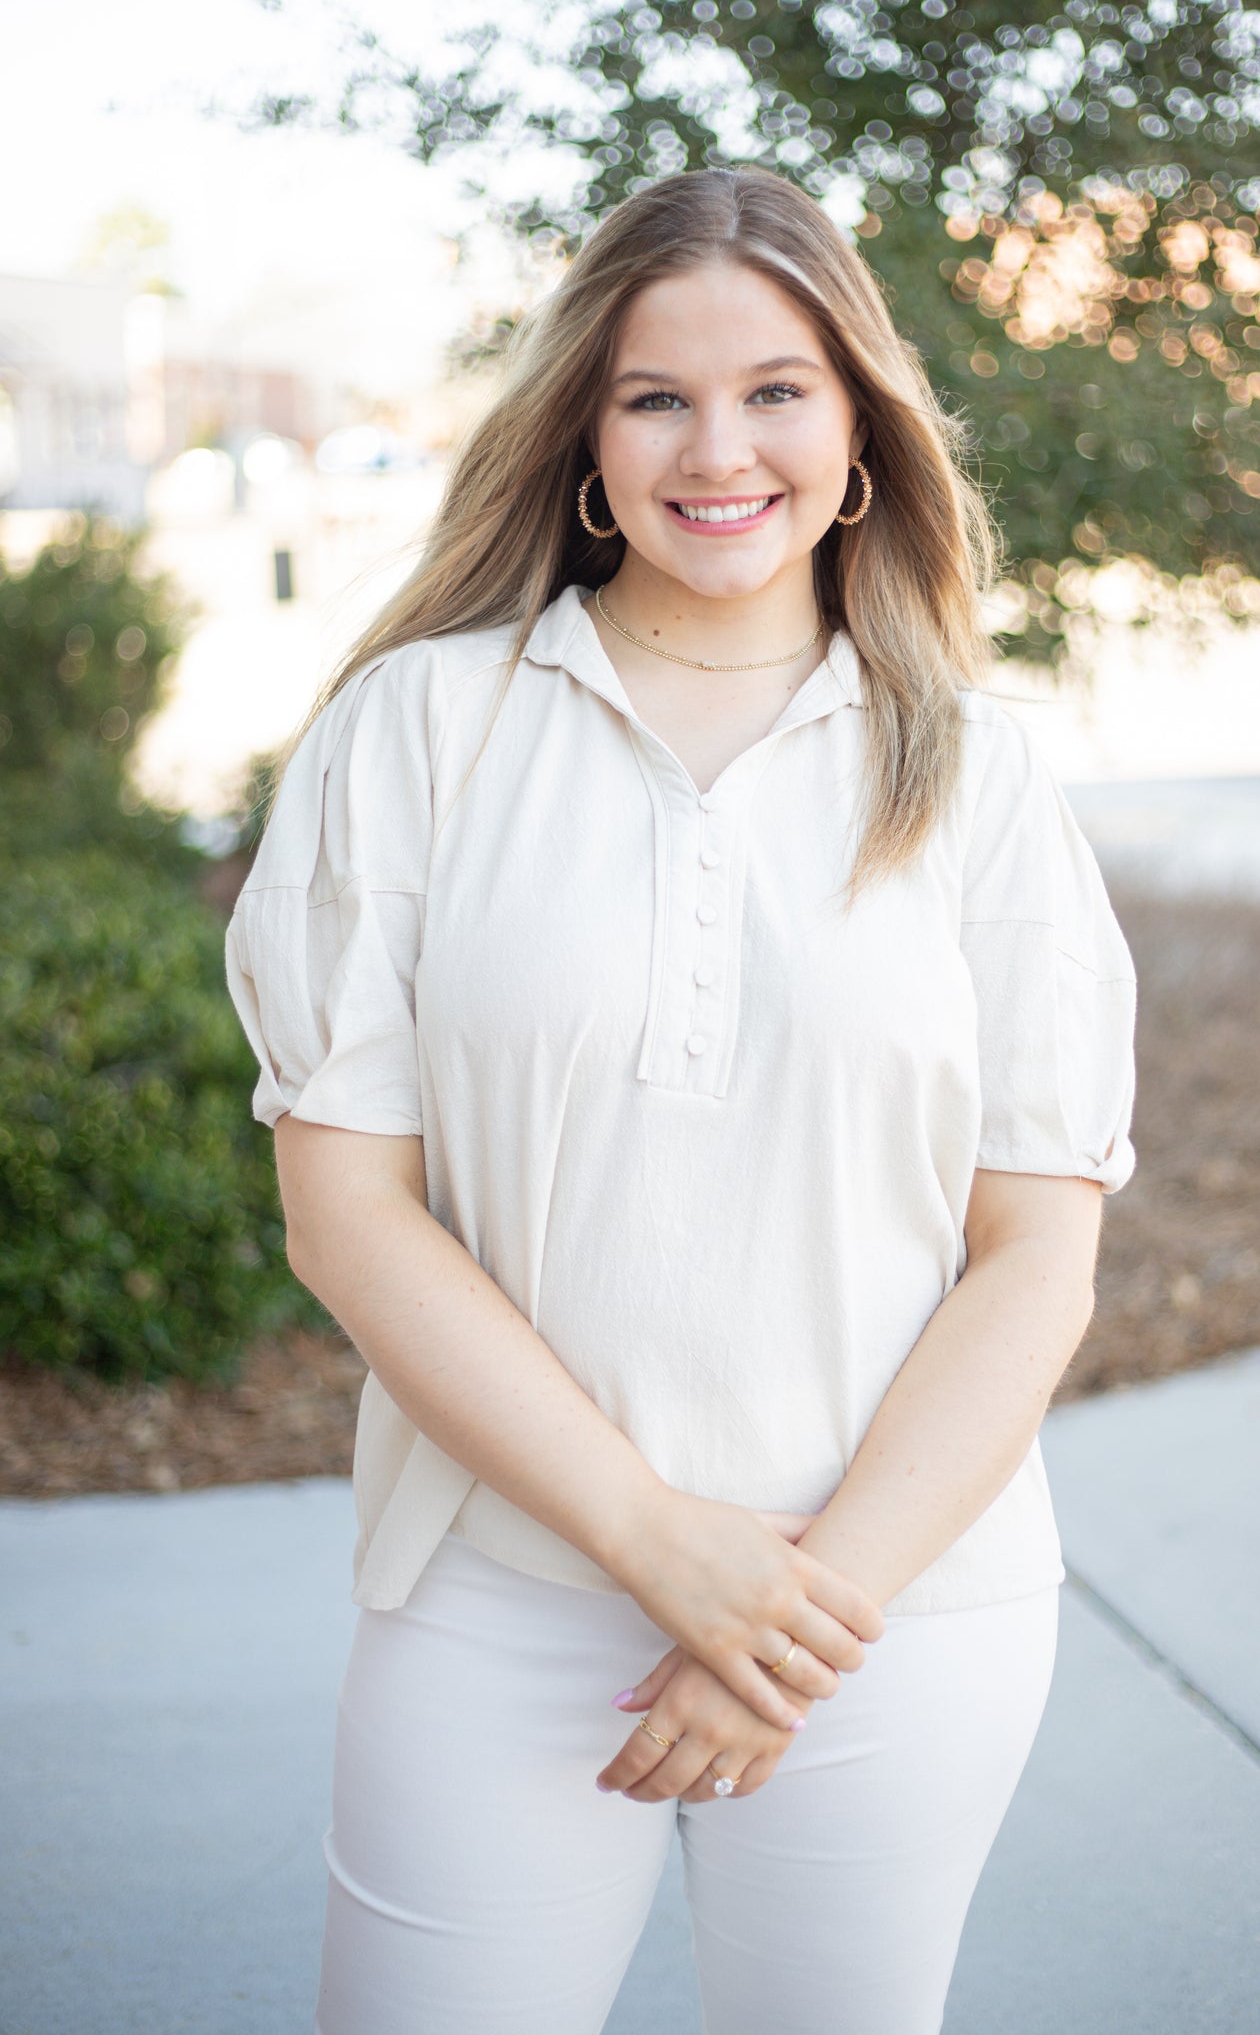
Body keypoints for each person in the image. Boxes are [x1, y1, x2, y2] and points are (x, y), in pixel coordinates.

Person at [225, 164, 1137, 2035]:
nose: (717, 446)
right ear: (585, 438)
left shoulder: (970, 774)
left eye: (775, 389)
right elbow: (349, 1214)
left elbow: (1035, 1253)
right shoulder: (421, 731)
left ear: (861, 435)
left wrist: (792, 1624)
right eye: (656, 396)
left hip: (893, 1615)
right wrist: (660, 1550)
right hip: (502, 1593)